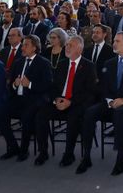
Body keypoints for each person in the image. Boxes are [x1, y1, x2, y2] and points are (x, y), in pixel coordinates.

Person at [79, 31, 123, 176]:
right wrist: (109, 101)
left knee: (119, 112)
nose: (114, 44)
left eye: (117, 41)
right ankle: (87, 155)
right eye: (114, 41)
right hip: (110, 102)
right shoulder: (109, 63)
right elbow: (104, 87)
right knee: (90, 113)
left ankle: (120, 158)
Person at [34, 34, 98, 166]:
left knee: (73, 117)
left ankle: (69, 154)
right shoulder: (62, 64)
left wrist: (71, 102)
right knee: (40, 114)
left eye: (71, 45)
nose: (67, 48)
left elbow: (91, 93)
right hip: (60, 101)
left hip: (76, 103)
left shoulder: (88, 66)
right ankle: (43, 151)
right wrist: (56, 99)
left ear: (79, 50)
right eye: (67, 45)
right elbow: (53, 87)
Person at [0, 34, 53, 162]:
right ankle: (13, 147)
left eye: (26, 45)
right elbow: (10, 86)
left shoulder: (43, 63)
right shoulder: (18, 63)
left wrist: (30, 84)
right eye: (22, 45)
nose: (22, 48)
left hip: (35, 99)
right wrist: (15, 85)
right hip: (18, 98)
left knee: (27, 115)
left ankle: (25, 150)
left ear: (34, 48)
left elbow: (47, 85)